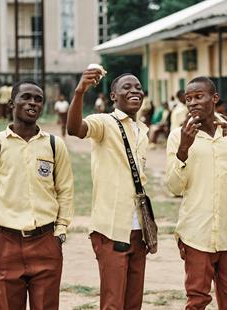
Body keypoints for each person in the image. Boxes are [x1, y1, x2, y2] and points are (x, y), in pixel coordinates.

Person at [0, 80, 74, 310]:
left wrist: (60, 231)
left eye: (38, 99)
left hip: (46, 240)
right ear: (12, 103)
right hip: (6, 242)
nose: (32, 103)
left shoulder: (53, 144)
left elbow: (65, 190)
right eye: (26, 97)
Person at [166, 76, 227, 309]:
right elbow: (174, 187)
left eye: (199, 96)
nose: (193, 103)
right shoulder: (179, 136)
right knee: (197, 300)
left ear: (214, 98)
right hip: (196, 234)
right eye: (189, 99)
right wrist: (183, 151)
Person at [67, 69, 150, 310]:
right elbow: (75, 128)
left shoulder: (142, 130)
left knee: (133, 303)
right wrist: (80, 91)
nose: (134, 90)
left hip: (139, 231)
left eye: (138, 87)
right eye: (126, 88)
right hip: (112, 229)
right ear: (113, 96)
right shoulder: (104, 122)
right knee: (113, 303)